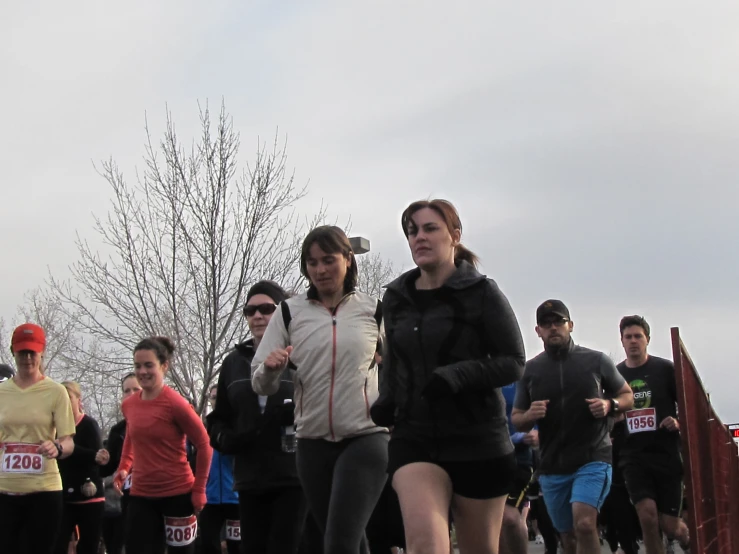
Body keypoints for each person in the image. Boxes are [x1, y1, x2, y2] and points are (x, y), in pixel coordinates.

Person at [371, 199, 526, 554]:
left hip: (477, 439)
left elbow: (514, 362)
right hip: (416, 437)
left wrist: (458, 375)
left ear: (454, 235)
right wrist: (388, 399)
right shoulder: (397, 296)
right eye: (412, 232)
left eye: (429, 229)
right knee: (425, 545)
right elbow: (395, 359)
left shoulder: (482, 293)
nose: (419, 238)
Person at [252, 226, 388, 554]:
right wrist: (271, 370)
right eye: (312, 263)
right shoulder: (289, 312)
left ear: (348, 261)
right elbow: (260, 382)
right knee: (344, 537)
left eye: (329, 260)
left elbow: (400, 369)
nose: (321, 270)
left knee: (339, 543)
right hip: (312, 442)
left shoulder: (373, 310)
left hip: (366, 437)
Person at [512, 300, 634, 554]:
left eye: (559, 322)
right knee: (568, 537)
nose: (553, 328)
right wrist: (531, 415)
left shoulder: (595, 361)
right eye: (547, 324)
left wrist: (609, 404)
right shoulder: (531, 371)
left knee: (586, 523)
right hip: (552, 464)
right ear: (538, 331)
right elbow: (517, 418)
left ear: (571, 325)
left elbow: (627, 396)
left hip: (593, 457)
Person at [208, 280, 308, 554]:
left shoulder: (299, 353)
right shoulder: (234, 363)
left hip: (293, 475)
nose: (257, 316)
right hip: (249, 477)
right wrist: (225, 438)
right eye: (250, 311)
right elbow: (220, 418)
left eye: (266, 308)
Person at [113, 336, 213, 554]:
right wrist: (124, 466)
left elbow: (205, 444)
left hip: (177, 494)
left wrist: (199, 490)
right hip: (141, 495)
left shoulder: (176, 404)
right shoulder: (130, 405)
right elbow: (131, 435)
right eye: (138, 366)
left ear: (164, 366)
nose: (142, 372)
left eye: (149, 365)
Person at [616, 315, 690, 554]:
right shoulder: (615, 376)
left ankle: (690, 541)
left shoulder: (665, 369)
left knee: (670, 526)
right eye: (628, 337)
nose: (633, 341)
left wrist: (678, 421)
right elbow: (608, 410)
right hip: (633, 456)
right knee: (647, 517)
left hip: (666, 453)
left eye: (638, 336)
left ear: (647, 339)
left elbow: (689, 407)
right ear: (622, 342)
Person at [0, 323, 76, 553]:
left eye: (32, 352)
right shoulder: (2, 392)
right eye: (22, 352)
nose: (27, 358)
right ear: (13, 351)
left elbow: (68, 441)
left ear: (41, 352)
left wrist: (57, 447)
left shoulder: (55, 392)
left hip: (44, 489)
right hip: (5, 490)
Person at [54, 381, 107, 554]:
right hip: (64, 497)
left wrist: (69, 449)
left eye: (69, 397)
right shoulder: (55, 428)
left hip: (89, 495)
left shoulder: (89, 425)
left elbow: (96, 457)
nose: (65, 402)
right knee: (58, 544)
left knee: (88, 546)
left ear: (78, 400)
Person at [100, 372, 142, 554]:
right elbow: (108, 469)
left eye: (136, 389)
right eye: (126, 390)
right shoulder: (117, 430)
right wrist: (102, 459)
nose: (131, 394)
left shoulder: (160, 421)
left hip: (154, 496)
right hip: (122, 500)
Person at [200, 385, 240, 554]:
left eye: (219, 396)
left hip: (236, 497)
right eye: (213, 397)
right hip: (210, 497)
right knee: (208, 544)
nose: (216, 400)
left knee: (237, 546)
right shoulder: (202, 427)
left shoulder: (238, 424)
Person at [501, 382, 537, 554]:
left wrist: (534, 433)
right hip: (487, 459)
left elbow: (537, 415)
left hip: (519, 460)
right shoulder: (481, 379)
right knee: (494, 520)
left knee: (508, 516)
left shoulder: (523, 382)